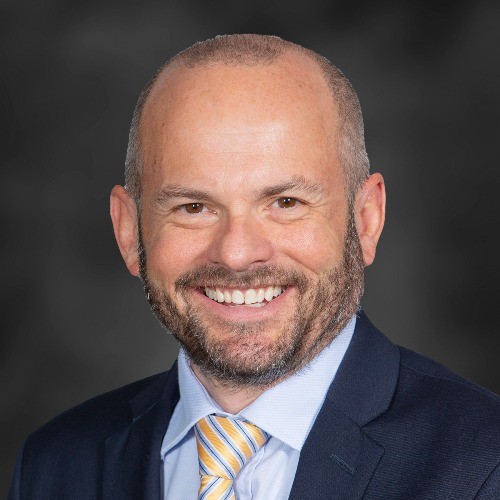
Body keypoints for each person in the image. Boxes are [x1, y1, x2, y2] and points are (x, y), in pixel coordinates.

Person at [9, 34, 500, 499]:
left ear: (366, 219)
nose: (237, 253)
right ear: (127, 230)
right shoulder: (54, 466)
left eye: (285, 202)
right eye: (193, 208)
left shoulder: (484, 464)